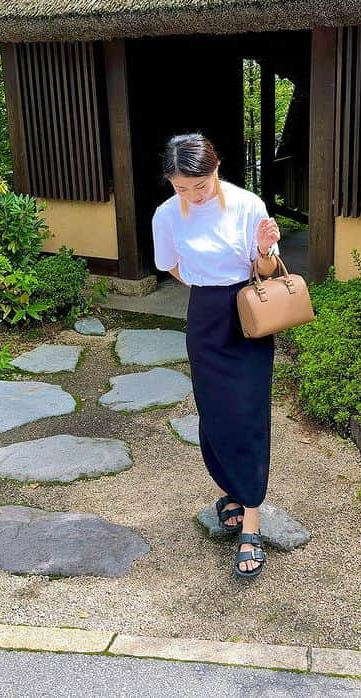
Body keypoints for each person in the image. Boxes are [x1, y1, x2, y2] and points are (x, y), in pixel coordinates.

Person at [151, 133, 281, 579]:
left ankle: (251, 521)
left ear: (215, 168)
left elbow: (265, 269)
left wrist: (264, 249)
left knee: (248, 414)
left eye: (198, 185)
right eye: (180, 187)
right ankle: (230, 488)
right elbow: (170, 265)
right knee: (214, 412)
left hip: (246, 313)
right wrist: (204, 284)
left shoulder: (248, 205)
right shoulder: (166, 215)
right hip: (205, 316)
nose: (191, 194)